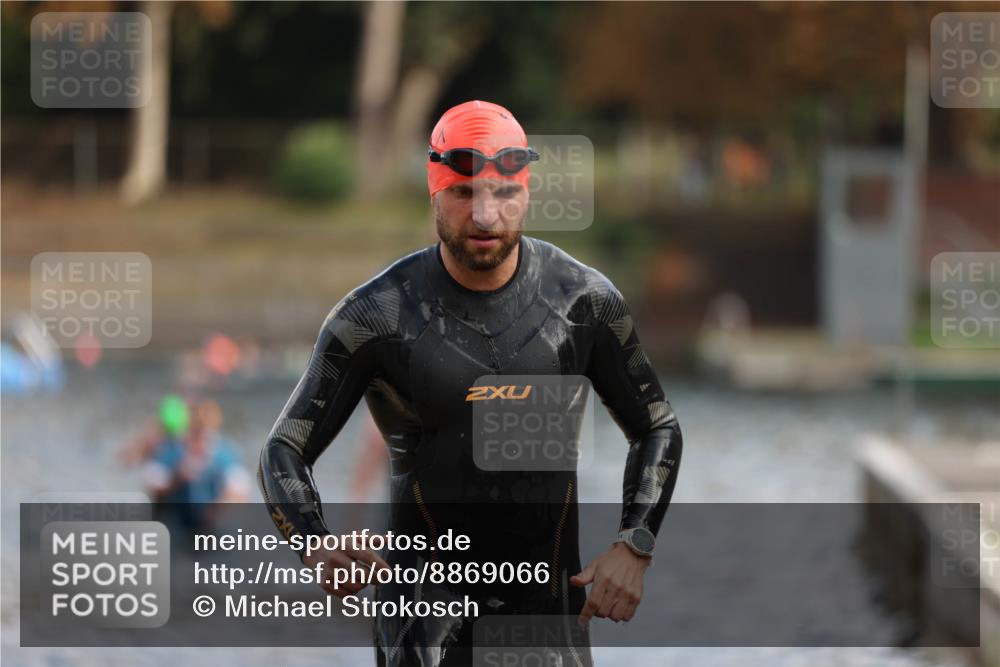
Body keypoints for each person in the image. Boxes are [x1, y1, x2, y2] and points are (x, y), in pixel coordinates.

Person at [258, 100, 683, 666]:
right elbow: (284, 449)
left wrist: (635, 543)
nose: (485, 215)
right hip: (423, 632)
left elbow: (657, 427)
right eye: (463, 193)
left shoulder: (583, 302)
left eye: (503, 193)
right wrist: (314, 543)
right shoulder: (376, 316)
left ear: (526, 192)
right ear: (434, 193)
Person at [144, 398, 250, 533]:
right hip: (176, 527)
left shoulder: (224, 453)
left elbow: (240, 491)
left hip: (210, 528)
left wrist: (219, 506)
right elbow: (153, 485)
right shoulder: (170, 450)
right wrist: (176, 479)